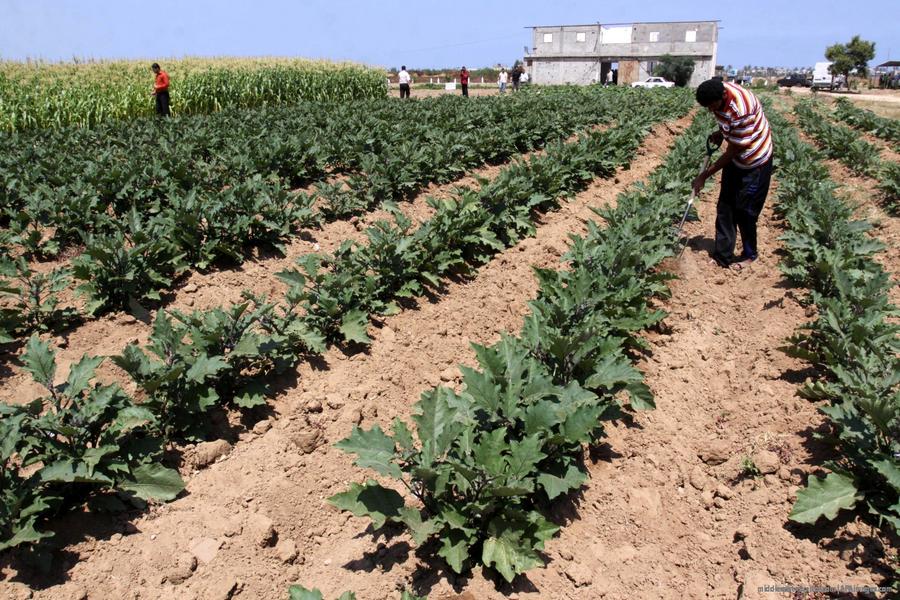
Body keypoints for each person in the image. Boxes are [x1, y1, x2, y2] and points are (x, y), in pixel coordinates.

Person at [691, 79, 774, 271]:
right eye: (707, 107)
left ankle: (749, 254)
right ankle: (723, 256)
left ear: (723, 96)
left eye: (712, 106)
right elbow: (725, 119)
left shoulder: (741, 109)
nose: (711, 110)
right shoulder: (718, 93)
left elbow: (733, 151)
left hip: (755, 161)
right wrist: (721, 133)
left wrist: (704, 175)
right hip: (737, 158)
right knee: (725, 207)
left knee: (746, 211)